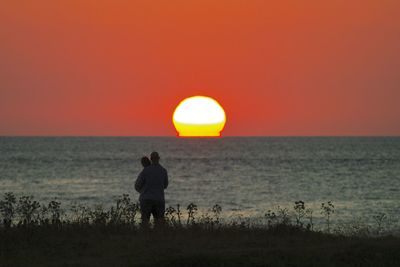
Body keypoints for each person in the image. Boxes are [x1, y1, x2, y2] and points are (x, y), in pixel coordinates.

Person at [135, 152, 168, 227]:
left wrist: (142, 192)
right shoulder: (163, 171)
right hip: (159, 199)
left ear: (151, 159)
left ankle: (145, 237)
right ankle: (158, 237)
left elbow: (137, 185)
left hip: (146, 199)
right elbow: (165, 185)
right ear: (159, 158)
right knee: (159, 222)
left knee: (145, 222)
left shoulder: (145, 171)